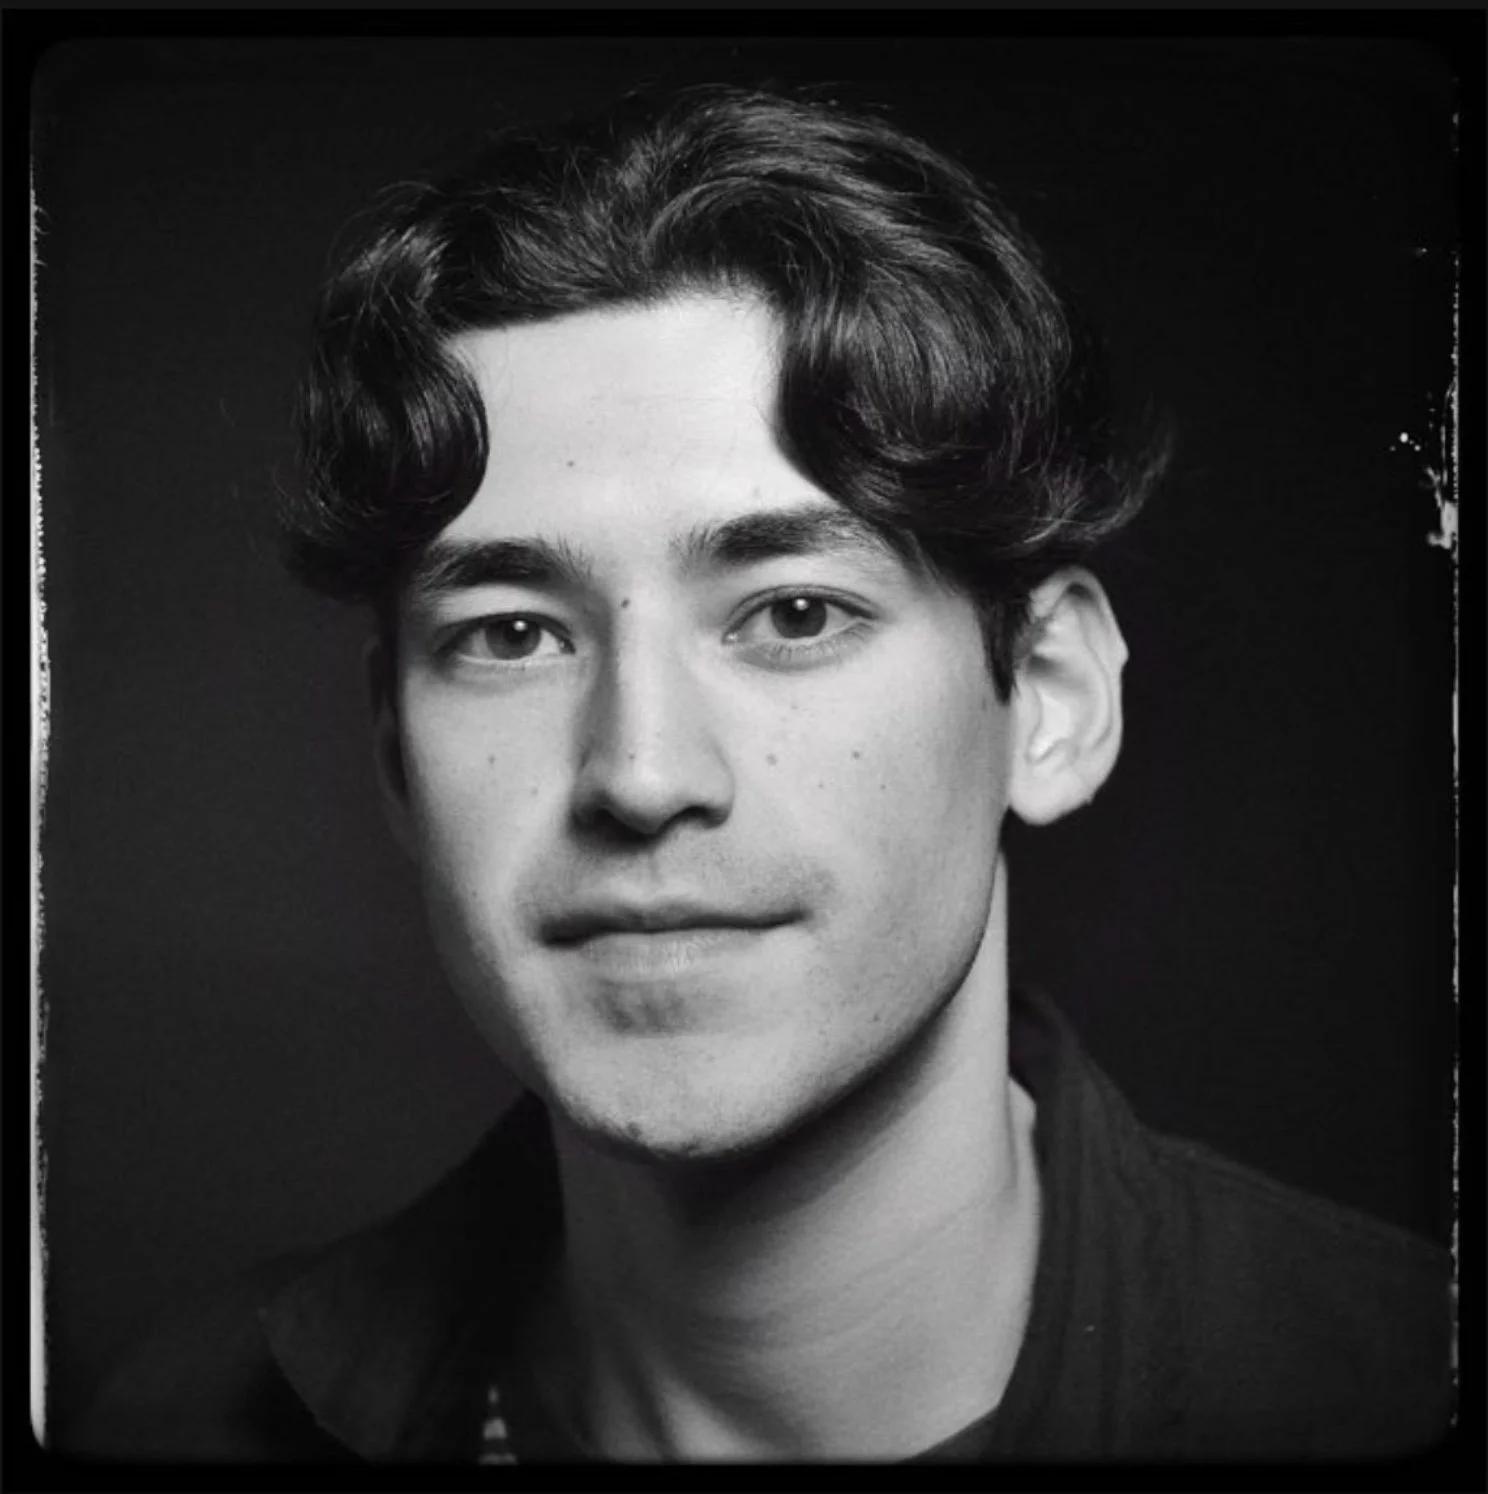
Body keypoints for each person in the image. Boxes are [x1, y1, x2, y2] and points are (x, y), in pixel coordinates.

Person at [74, 83, 1451, 1464]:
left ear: (1049, 697)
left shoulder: (1398, 1397)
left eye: (793, 612)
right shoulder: (177, 1427)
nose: (642, 770)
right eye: (511, 633)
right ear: (393, 754)